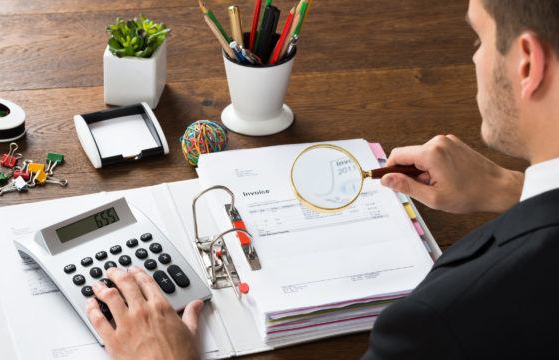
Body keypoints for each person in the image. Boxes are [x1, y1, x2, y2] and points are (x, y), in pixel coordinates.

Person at [85, 0, 559, 358]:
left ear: (527, 65)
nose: (474, 59)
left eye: (477, 39)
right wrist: (511, 190)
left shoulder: (439, 320)